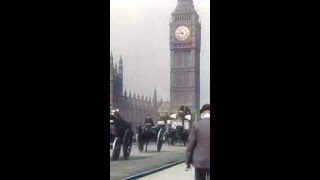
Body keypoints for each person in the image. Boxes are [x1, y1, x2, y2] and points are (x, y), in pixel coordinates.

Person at [186, 104, 210, 180]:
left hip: (200, 162)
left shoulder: (197, 125)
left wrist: (188, 161)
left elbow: (191, 145)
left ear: (203, 113)